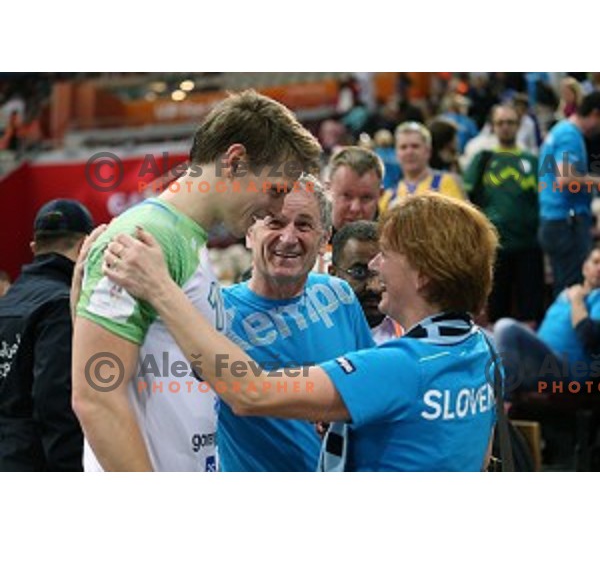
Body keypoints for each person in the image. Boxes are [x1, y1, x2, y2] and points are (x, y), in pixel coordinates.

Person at [101, 193, 500, 472]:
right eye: (275, 221)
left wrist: (159, 287)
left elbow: (250, 392)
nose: (375, 265)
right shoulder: (481, 348)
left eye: (387, 255)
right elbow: (479, 459)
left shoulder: (399, 366)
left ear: (423, 276)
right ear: (250, 233)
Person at [72, 90, 322, 472]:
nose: (275, 209)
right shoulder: (145, 235)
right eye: (275, 190)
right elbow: (96, 397)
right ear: (235, 161)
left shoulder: (187, 239)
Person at [218, 176, 374, 471]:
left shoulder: (338, 295)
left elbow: (368, 395)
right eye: (275, 223)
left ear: (323, 238)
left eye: (304, 225)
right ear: (250, 233)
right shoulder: (215, 313)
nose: (289, 238)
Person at [0, 199, 94, 471]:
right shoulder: (61, 305)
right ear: (84, 246)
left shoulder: (8, 301)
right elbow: (55, 401)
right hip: (38, 461)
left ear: (34, 248)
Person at [464, 104, 542, 326]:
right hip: (494, 246)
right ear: (493, 126)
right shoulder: (483, 159)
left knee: (530, 310)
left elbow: (543, 199)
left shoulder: (533, 160)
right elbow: (468, 198)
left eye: (510, 122)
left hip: (528, 245)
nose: (505, 127)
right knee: (496, 311)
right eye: (500, 123)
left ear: (518, 126)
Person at [495, 247, 600, 393]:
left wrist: (577, 299)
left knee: (505, 327)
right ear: (585, 268)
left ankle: (503, 402)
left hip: (565, 369)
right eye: (596, 262)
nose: (599, 268)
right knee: (482, 335)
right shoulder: (566, 293)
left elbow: (589, 336)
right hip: (536, 360)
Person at [538, 91, 600, 295]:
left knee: (564, 286)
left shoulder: (561, 131)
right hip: (566, 222)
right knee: (573, 290)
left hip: (557, 220)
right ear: (595, 114)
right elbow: (565, 178)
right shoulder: (569, 136)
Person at [329, 220, 401, 344]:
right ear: (333, 274)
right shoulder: (313, 332)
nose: (374, 286)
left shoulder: (412, 330)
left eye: (381, 273)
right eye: (359, 272)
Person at [316, 146, 383, 272]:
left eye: (366, 198)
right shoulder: (307, 239)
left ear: (381, 194)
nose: (355, 208)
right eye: (346, 196)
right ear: (327, 190)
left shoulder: (393, 247)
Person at [380, 122, 466, 212]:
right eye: (403, 147)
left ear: (428, 151)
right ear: (396, 153)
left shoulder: (448, 182)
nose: (409, 152)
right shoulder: (388, 197)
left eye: (415, 146)